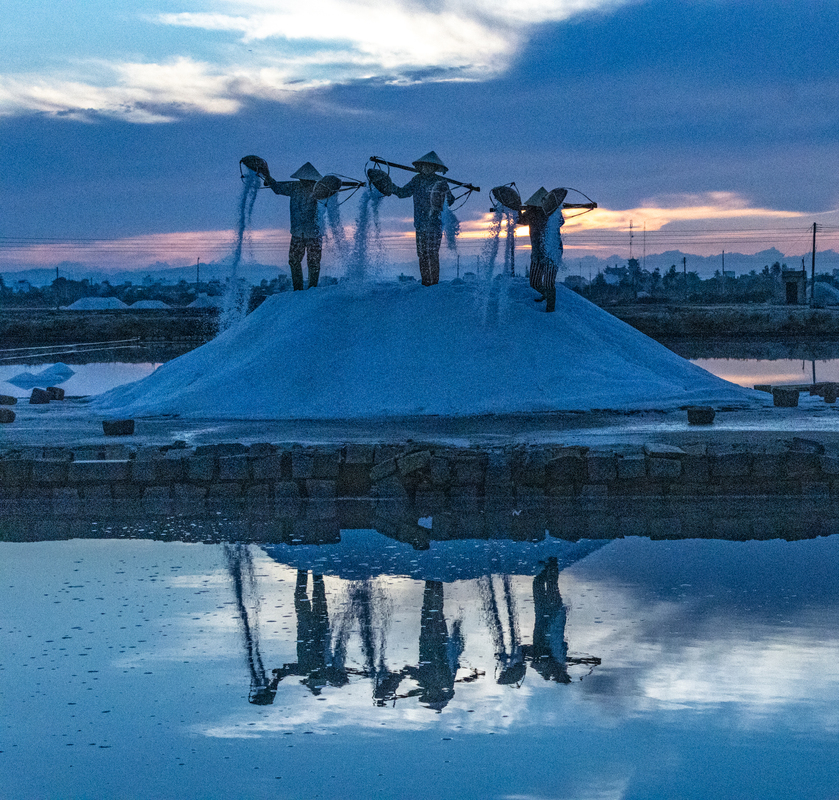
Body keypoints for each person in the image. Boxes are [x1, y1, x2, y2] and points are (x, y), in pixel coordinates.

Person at [390, 151, 455, 286]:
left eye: (430, 166)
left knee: (432, 253)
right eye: (425, 166)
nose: (427, 168)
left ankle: (434, 283)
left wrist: (445, 193)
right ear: (421, 167)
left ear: (435, 168)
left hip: (434, 223)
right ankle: (425, 282)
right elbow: (402, 193)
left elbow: (450, 200)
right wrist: (390, 187)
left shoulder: (440, 182)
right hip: (420, 223)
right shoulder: (416, 180)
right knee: (422, 254)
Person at [264, 162, 323, 291]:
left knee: (313, 263)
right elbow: (277, 188)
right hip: (298, 233)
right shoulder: (294, 187)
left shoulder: (320, 189)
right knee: (294, 261)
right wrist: (268, 178)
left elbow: (330, 193)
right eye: (302, 179)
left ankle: (312, 289)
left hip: (313, 233)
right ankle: (298, 289)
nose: (304, 182)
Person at [519, 187, 564, 313]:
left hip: (552, 252)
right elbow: (520, 220)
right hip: (537, 252)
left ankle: (550, 309)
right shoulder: (531, 212)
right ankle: (546, 294)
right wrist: (517, 209)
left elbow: (560, 221)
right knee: (534, 282)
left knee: (549, 282)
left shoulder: (552, 213)